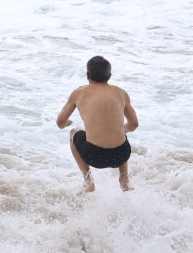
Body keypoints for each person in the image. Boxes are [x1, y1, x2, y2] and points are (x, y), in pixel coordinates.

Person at [55, 56, 138, 192]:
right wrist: (123, 129)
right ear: (110, 75)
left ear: (87, 74)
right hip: (121, 155)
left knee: (73, 132)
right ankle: (124, 181)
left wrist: (66, 123)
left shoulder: (79, 93)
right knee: (120, 131)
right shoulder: (121, 93)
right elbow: (134, 124)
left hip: (94, 156)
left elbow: (60, 122)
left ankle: (88, 182)